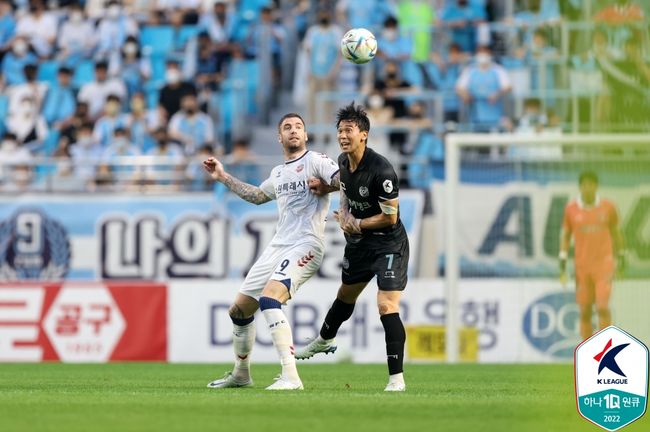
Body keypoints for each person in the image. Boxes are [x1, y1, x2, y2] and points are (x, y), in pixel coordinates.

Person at [203, 113, 339, 390]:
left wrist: (328, 185)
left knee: (269, 299)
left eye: (299, 127)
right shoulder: (278, 173)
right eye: (287, 128)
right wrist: (223, 177)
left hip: (306, 243)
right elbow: (256, 196)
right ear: (279, 137)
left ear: (306, 135)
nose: (293, 131)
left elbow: (344, 178)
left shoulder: (316, 160)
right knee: (239, 311)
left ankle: (291, 377)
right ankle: (242, 374)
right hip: (278, 246)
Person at [296, 103, 409, 392]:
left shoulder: (382, 170)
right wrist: (326, 189)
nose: (343, 136)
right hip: (359, 245)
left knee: (386, 305)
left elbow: (390, 216)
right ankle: (324, 339)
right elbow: (346, 185)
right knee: (345, 296)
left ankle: (396, 379)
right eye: (340, 131)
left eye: (349, 130)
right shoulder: (343, 162)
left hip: (388, 244)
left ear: (364, 135)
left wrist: (356, 223)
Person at [559, 171, 626, 341]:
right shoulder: (571, 209)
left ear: (596, 186)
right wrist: (562, 259)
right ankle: (587, 350)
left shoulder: (608, 207)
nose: (588, 188)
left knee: (602, 306)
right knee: (585, 310)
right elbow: (566, 235)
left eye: (591, 184)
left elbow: (616, 233)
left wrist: (622, 256)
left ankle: (605, 348)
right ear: (580, 187)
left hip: (604, 264)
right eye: (584, 185)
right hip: (582, 267)